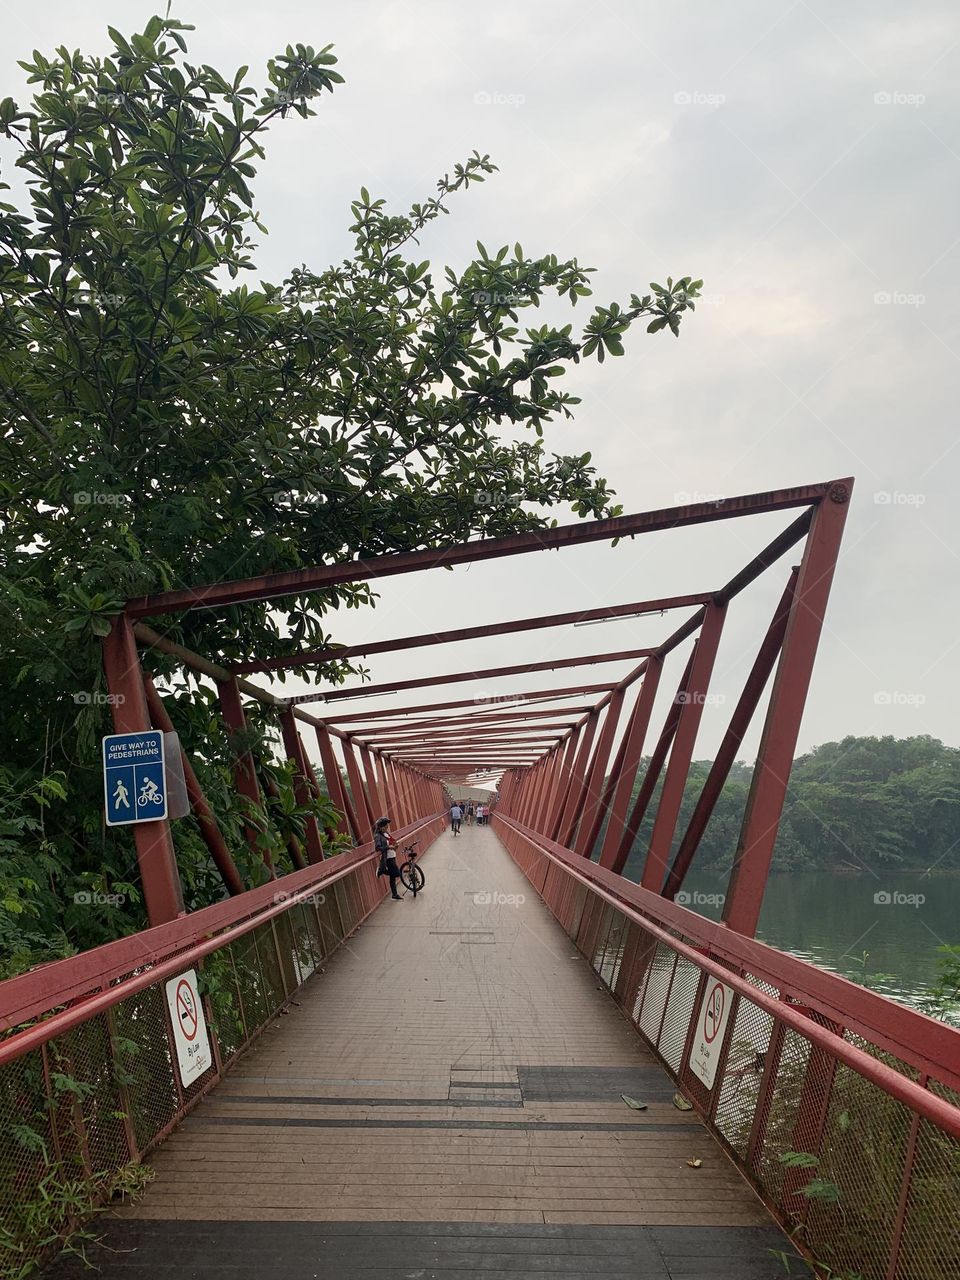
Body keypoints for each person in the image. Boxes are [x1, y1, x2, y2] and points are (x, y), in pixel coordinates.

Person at [374, 816, 402, 899]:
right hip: (388, 858)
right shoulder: (377, 836)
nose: (387, 827)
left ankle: (394, 894)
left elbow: (392, 841)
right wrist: (389, 847)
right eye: (385, 825)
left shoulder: (386, 834)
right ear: (380, 827)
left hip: (393, 856)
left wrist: (396, 844)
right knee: (397, 873)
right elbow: (377, 848)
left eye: (387, 825)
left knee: (392, 877)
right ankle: (381, 871)